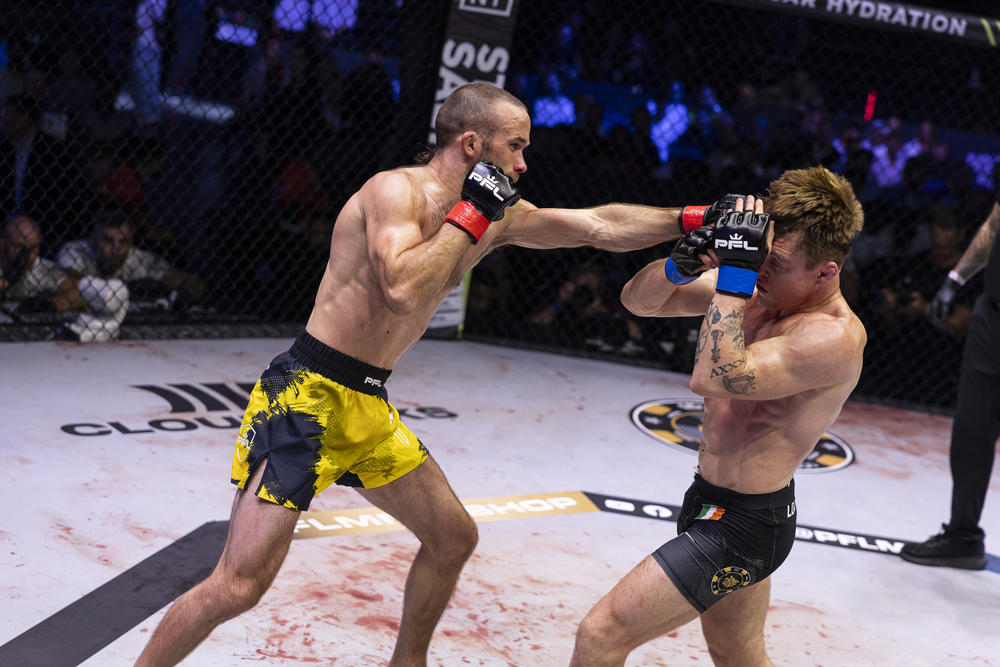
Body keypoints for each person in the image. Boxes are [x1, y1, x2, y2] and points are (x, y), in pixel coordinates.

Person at [134, 81, 739, 666]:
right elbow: (401, 288)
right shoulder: (394, 192)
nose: (523, 164)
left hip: (366, 403)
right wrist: (473, 214)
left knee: (453, 538)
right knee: (239, 585)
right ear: (473, 144)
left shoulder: (495, 215)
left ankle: (408, 661)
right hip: (307, 397)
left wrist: (695, 217)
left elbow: (598, 226)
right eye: (515, 146)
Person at [571, 167, 866, 666]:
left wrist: (735, 276)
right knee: (738, 656)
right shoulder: (758, 291)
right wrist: (679, 265)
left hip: (744, 526)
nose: (761, 269)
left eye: (776, 262)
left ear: (825, 272)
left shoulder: (831, 337)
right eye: (760, 253)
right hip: (707, 498)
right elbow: (638, 302)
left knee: (601, 635)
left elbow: (715, 377)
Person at [899, 196, 1000, 571]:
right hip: (993, 315)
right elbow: (995, 224)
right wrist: (956, 279)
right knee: (972, 430)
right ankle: (962, 535)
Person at [0, 214, 129, 341]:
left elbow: (87, 291)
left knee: (116, 294)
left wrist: (55, 304)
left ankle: (77, 335)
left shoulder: (41, 270)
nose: (28, 256)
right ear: (3, 244)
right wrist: (8, 281)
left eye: (34, 248)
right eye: (20, 247)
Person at [57, 207, 205, 309]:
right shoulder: (75, 251)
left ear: (131, 242)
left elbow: (195, 286)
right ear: (93, 239)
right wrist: (129, 292)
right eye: (108, 240)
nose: (116, 249)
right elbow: (66, 286)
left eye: (123, 242)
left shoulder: (140, 259)